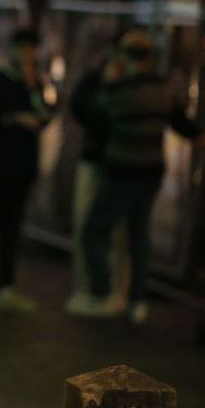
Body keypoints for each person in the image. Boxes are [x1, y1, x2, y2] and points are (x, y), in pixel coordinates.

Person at [73, 29, 204, 323]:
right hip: (152, 171)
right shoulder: (162, 89)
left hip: (121, 170)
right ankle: (137, 300)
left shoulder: (119, 91)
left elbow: (93, 118)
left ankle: (101, 292)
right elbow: (183, 124)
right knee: (138, 235)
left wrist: (105, 84)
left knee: (94, 231)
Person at [0, 28, 50, 313]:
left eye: (32, 48)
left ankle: (6, 287)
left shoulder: (35, 82)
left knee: (12, 230)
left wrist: (31, 90)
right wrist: (13, 117)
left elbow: (45, 115)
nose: (28, 54)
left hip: (21, 168)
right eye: (23, 47)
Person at [64, 43, 131, 314]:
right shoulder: (96, 78)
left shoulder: (133, 83)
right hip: (96, 161)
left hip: (121, 166)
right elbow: (81, 107)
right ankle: (87, 287)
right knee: (85, 226)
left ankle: (113, 292)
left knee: (116, 232)